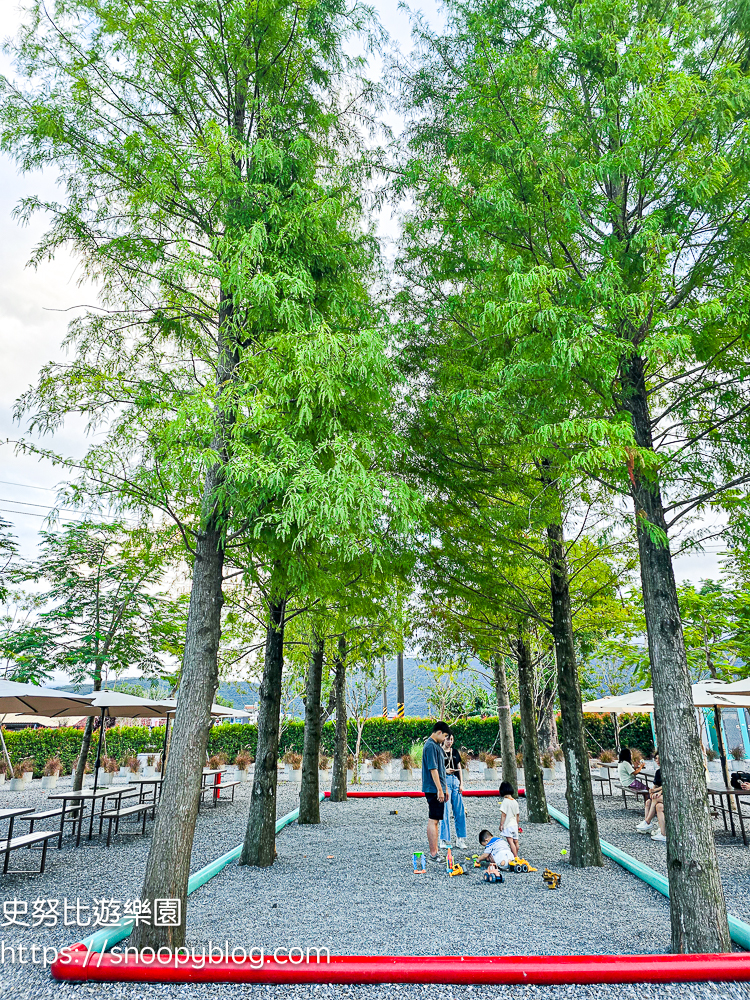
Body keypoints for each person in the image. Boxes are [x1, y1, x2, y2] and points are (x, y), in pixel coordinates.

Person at [422, 721, 450, 863]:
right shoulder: (430, 746)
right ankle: (433, 853)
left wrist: (444, 788)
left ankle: (436, 851)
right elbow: (433, 769)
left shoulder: (436, 746)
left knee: (436, 820)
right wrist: (439, 789)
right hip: (433, 789)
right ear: (439, 732)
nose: (445, 739)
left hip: (438, 788)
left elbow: (441, 770)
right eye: (444, 736)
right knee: (433, 819)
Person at [438, 733, 468, 850]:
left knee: (459, 811)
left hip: (455, 781)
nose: (449, 742)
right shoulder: (439, 751)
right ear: (443, 739)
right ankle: (443, 839)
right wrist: (445, 771)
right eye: (447, 739)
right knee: (445, 811)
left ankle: (460, 839)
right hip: (445, 781)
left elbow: (459, 768)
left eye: (451, 739)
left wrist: (461, 783)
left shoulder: (455, 752)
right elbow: (437, 768)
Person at [498, 780, 520, 858]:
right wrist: (517, 825)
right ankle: (515, 855)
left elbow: (503, 815)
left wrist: (501, 825)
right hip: (514, 825)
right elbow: (517, 815)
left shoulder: (505, 802)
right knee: (516, 842)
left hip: (508, 825)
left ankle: (515, 856)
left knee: (511, 842)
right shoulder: (515, 802)